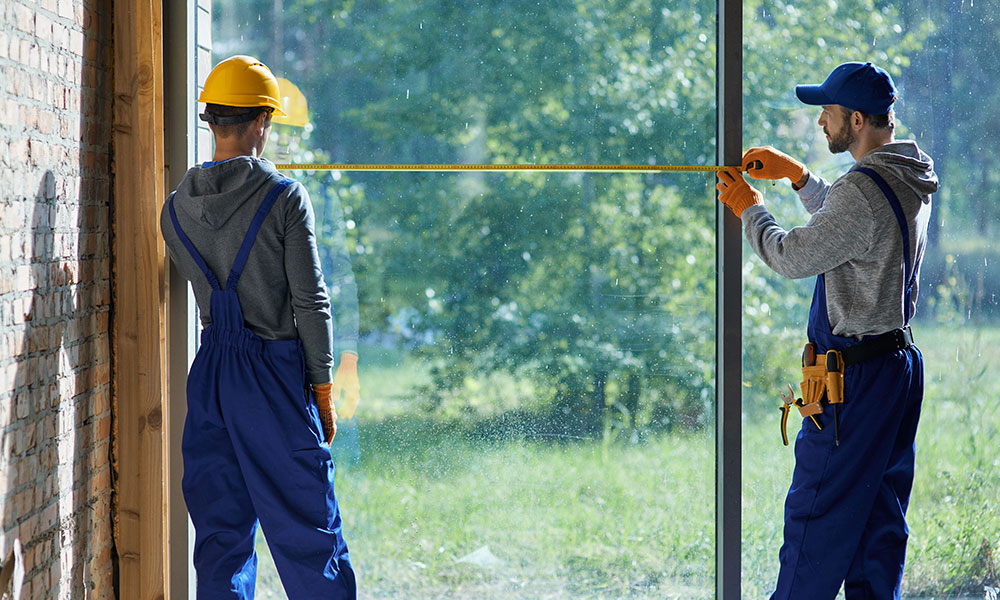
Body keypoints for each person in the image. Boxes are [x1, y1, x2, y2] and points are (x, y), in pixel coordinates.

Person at [716, 61, 938, 599]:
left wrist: (751, 209)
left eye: (828, 113)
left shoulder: (861, 191)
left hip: (852, 384)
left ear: (856, 120)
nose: (820, 123)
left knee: (816, 521)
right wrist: (800, 178)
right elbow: (855, 232)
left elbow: (795, 255)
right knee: (876, 527)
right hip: (896, 369)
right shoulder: (907, 173)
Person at [160, 55, 356, 599]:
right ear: (261, 123)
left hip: (212, 382)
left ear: (212, 123)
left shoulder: (173, 212)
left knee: (221, 539)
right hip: (273, 380)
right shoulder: (285, 198)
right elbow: (311, 303)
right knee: (309, 535)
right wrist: (321, 389)